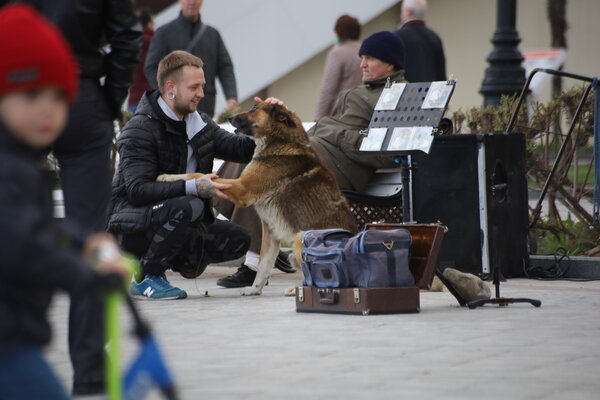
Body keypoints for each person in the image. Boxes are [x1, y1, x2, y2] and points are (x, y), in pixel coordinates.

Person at [2, 0, 141, 395]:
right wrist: (109, 100)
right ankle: (91, 365)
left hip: (17, 86)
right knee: (90, 226)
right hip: (80, 91)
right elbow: (126, 35)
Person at [214, 31, 406, 288]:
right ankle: (226, 232)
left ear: (390, 63)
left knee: (265, 162)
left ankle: (250, 262)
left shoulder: (397, 97)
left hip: (336, 164)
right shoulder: (360, 91)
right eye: (362, 58)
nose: (361, 64)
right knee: (252, 147)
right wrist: (273, 116)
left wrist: (336, 135)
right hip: (315, 149)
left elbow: (386, 152)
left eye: (369, 58)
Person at [109, 50, 260, 300]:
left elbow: (243, 150)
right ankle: (148, 276)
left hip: (179, 214)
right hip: (129, 226)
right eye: (194, 87)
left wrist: (267, 120)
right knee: (187, 204)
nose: (201, 94)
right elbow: (137, 190)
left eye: (202, 86)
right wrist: (193, 187)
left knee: (238, 239)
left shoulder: (198, 122)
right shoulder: (140, 129)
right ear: (171, 87)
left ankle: (169, 260)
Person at [144, 0, 238, 117]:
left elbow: (225, 67)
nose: (192, 2)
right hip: (174, 105)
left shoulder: (213, 34)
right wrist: (165, 93)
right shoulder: (163, 33)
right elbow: (151, 67)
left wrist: (231, 97)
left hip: (206, 104)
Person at [314, 14, 363, 120]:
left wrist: (318, 120)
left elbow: (328, 90)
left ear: (338, 32)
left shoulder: (337, 53)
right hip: (363, 109)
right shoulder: (364, 49)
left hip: (342, 113)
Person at [394, 0, 446, 82]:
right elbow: (441, 74)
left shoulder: (397, 37)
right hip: (432, 92)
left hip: (408, 92)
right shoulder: (434, 37)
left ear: (408, 12)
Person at [128, 8, 155, 113]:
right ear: (149, 23)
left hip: (133, 100)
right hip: (153, 100)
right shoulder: (157, 43)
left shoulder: (130, 45)